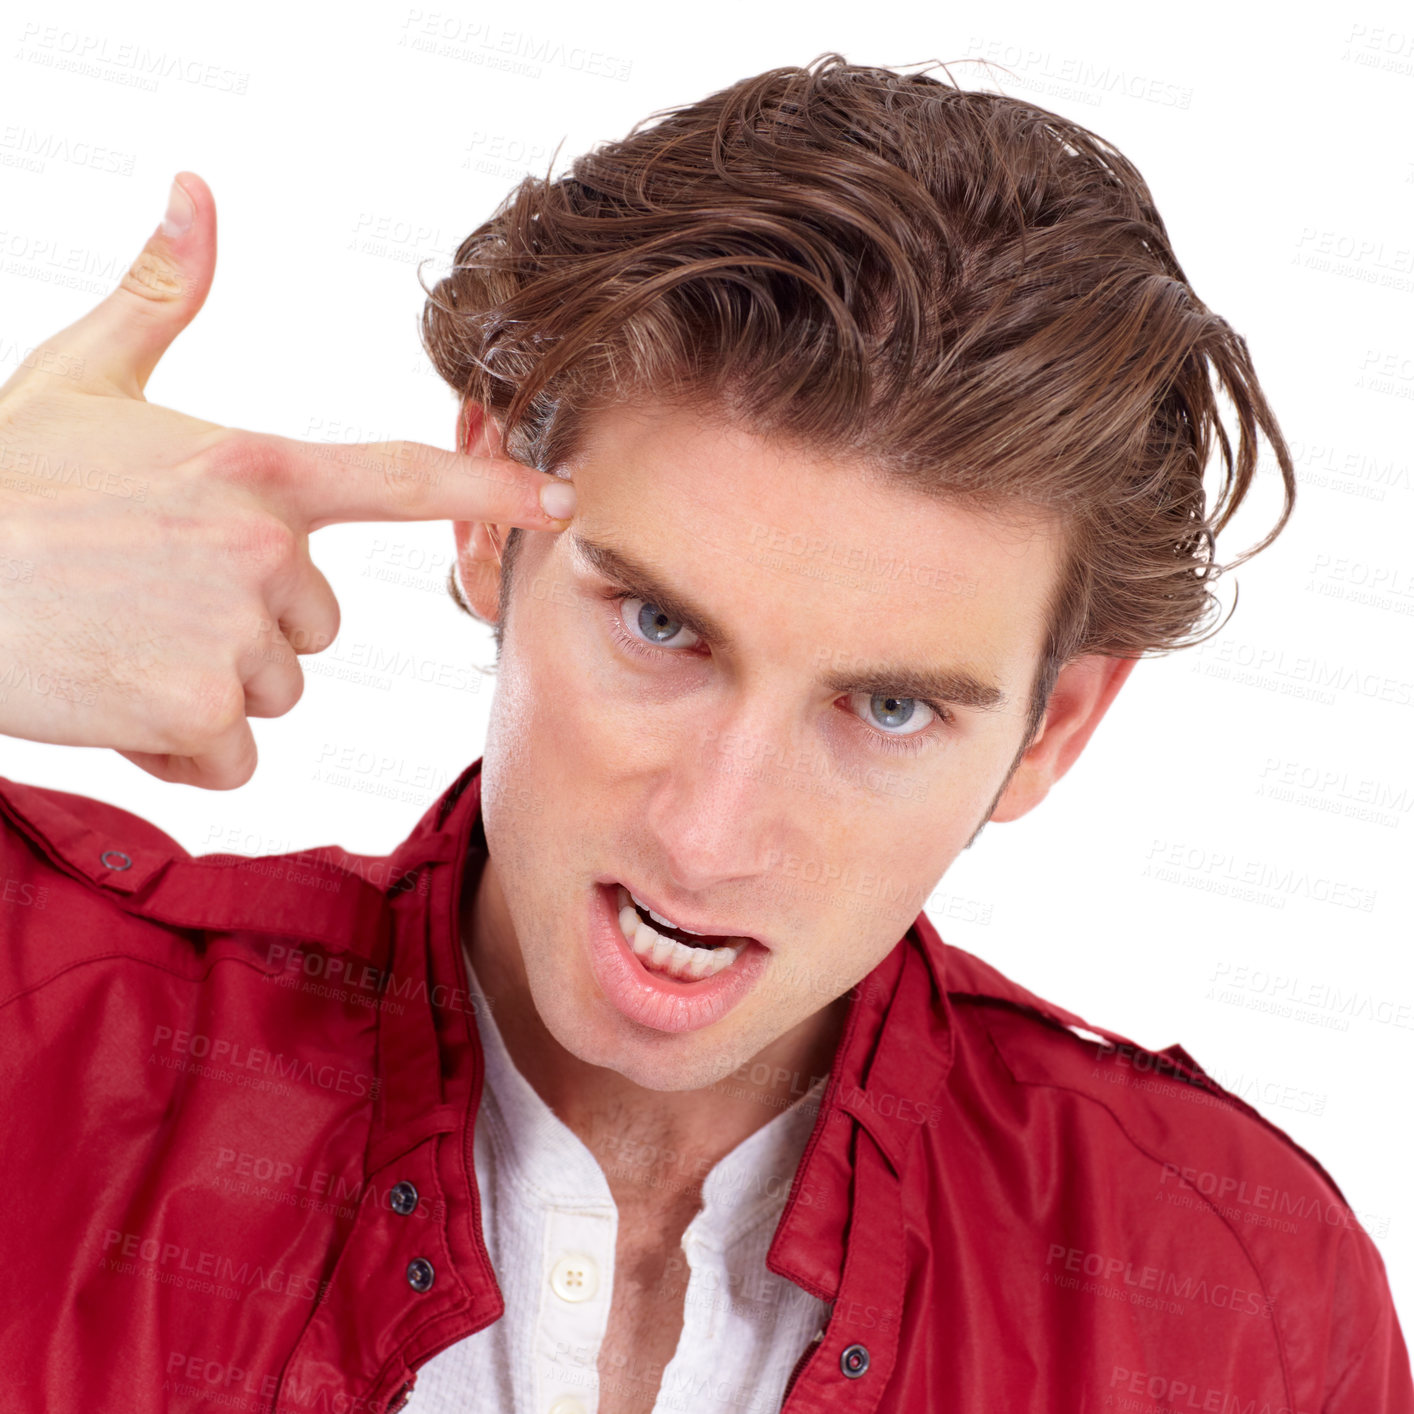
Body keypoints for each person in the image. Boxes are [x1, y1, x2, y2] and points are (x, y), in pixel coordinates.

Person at [0, 53, 1408, 1414]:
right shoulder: (40, 1037)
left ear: (1056, 727)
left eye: (890, 706)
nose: (708, 836)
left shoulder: (1235, 1291)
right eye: (662, 628)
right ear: (490, 523)